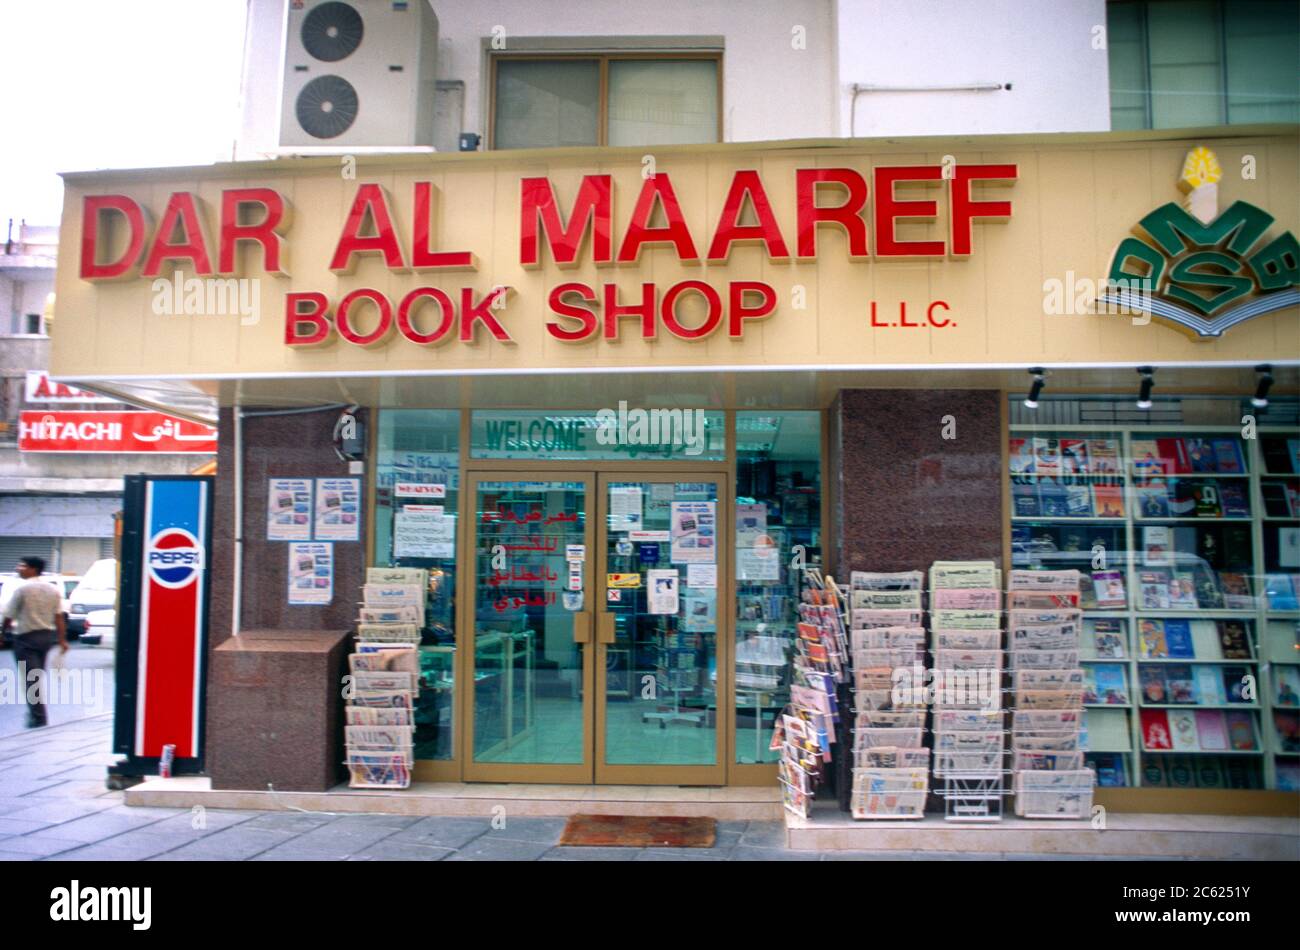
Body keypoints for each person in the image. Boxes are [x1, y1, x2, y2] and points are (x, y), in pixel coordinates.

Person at [1, 556, 68, 727]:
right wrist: (61, 640)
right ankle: (37, 714)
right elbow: (58, 617)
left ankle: (38, 717)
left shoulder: (22, 589)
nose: (18, 568)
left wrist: (2, 633)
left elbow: (9, 615)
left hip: (25, 638)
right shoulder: (53, 590)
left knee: (30, 678)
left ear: (33, 569)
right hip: (46, 638)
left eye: (22, 566)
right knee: (36, 676)